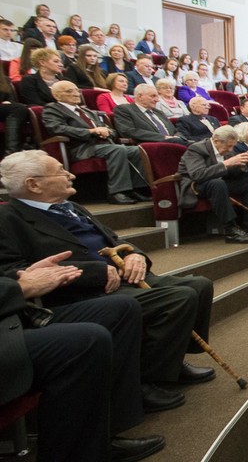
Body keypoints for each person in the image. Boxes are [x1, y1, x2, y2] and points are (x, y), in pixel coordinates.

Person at [0, 151, 216, 413]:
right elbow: (16, 272)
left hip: (123, 276)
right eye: (60, 171)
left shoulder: (73, 208)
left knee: (199, 285)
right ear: (33, 184)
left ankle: (172, 359)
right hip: (84, 293)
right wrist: (94, 272)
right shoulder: (8, 219)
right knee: (178, 298)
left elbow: (114, 240)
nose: (71, 174)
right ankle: (144, 381)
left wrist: (135, 254)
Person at [1, 260, 166, 462]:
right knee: (86, 341)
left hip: (13, 314)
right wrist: (20, 286)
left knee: (122, 308)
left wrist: (21, 275)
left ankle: (106, 435)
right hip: (10, 318)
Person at [43, 81, 148, 205]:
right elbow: (57, 128)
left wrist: (108, 132)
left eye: (77, 90)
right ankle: (117, 192)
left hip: (104, 145)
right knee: (118, 150)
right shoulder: (52, 109)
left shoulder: (89, 112)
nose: (76, 94)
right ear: (56, 95)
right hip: (81, 147)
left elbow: (112, 131)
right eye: (69, 91)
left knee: (137, 150)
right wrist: (90, 131)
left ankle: (137, 189)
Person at [177, 125, 248, 243]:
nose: (230, 150)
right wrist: (226, 163)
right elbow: (197, 175)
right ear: (216, 141)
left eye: (232, 146)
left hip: (221, 183)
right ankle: (231, 230)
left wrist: (242, 165)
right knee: (217, 183)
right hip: (196, 186)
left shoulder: (228, 150)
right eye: (228, 146)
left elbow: (233, 173)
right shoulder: (196, 149)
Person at [113, 84, 189, 145]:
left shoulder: (159, 112)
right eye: (153, 96)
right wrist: (164, 138)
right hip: (150, 145)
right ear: (140, 96)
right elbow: (128, 131)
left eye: (157, 96)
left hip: (174, 143)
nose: (157, 100)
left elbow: (175, 130)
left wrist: (178, 137)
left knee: (197, 146)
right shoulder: (125, 109)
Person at [0, 61, 27, 155]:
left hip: (4, 109)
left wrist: (9, 102)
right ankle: (12, 151)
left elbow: (11, 99)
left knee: (23, 108)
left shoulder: (5, 79)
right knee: (19, 108)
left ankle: (14, 149)